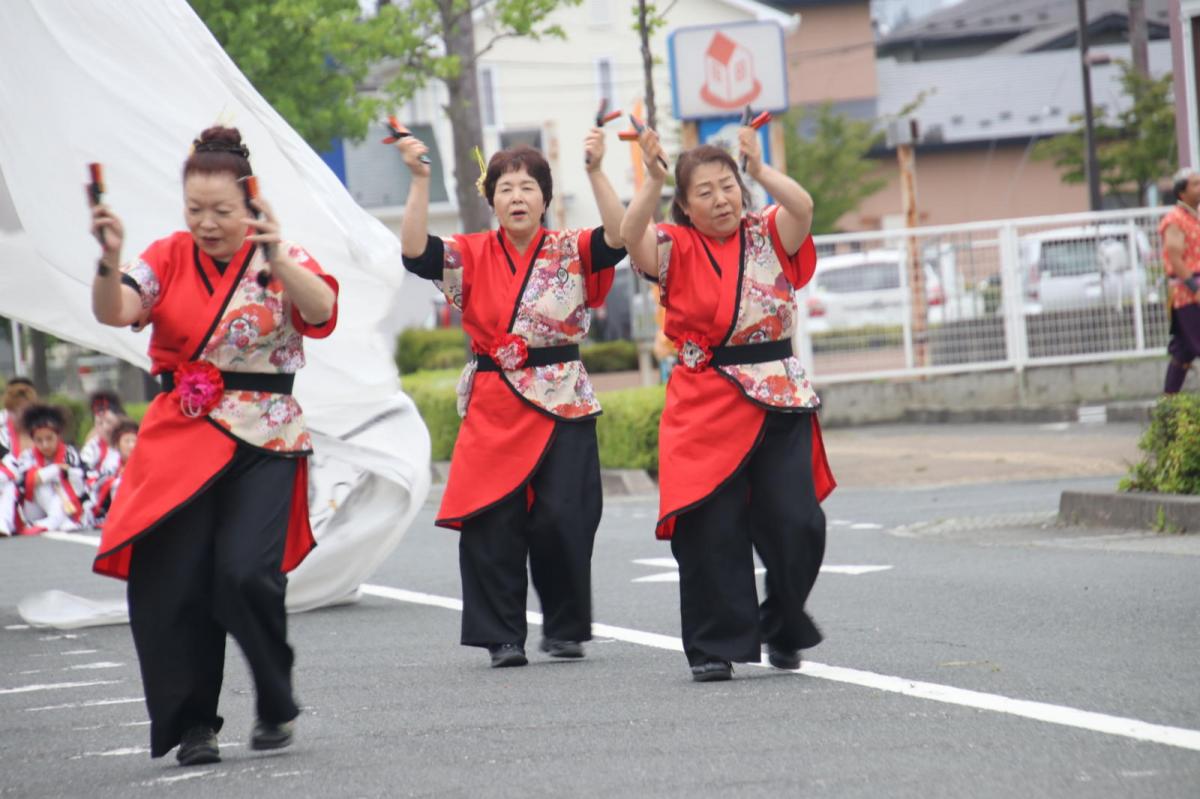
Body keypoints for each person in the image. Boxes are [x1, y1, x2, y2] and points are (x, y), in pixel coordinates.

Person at [89, 126, 338, 766]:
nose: (206, 223)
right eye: (195, 210)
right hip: (182, 437)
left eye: (222, 211)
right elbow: (116, 310)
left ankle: (275, 697)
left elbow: (322, 311)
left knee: (244, 574)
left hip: (266, 436)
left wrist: (279, 258)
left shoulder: (281, 256)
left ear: (251, 204)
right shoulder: (167, 256)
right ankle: (194, 722)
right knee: (176, 582)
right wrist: (107, 257)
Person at [396, 130, 625, 668]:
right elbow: (413, 251)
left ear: (545, 197)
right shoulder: (471, 252)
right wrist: (420, 179)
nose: (517, 197)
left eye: (528, 187)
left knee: (566, 518)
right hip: (495, 401)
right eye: (505, 188)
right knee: (491, 521)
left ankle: (566, 626)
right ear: (492, 199)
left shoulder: (572, 248)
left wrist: (595, 171)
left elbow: (619, 237)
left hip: (563, 394)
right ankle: (501, 635)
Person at [620, 125, 836, 682]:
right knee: (709, 528)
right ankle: (714, 646)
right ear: (686, 207)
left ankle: (783, 622)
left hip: (778, 396)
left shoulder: (768, 232)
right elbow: (629, 235)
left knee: (799, 523)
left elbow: (804, 206)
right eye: (706, 192)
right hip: (705, 401)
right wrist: (651, 180)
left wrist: (761, 171)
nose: (721, 199)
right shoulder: (673, 244)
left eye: (728, 186)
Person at [15, 404, 90, 533]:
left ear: (58, 436)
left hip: (69, 505)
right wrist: (56, 469)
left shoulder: (69, 453)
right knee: (42, 483)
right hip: (36, 508)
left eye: (49, 439)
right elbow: (28, 481)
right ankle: (56, 521)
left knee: (66, 481)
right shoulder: (27, 456)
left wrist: (54, 473)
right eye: (39, 440)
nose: (45, 445)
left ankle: (54, 521)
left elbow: (77, 480)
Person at [1161, 168, 1200, 394]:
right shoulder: (1174, 219)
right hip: (1188, 292)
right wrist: (1194, 288)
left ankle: (1168, 403)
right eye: (1195, 184)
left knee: (1184, 351)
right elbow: (1175, 258)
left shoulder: (1192, 218)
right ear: (1181, 192)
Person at [0, 381, 38, 535]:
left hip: (31, 492)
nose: (21, 414)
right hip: (6, 485)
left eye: (25, 410)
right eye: (16, 410)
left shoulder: (40, 429)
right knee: (7, 482)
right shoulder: (2, 430)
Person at [90, 416, 138, 525]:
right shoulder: (111, 460)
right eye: (127, 441)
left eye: (134, 441)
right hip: (110, 503)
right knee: (117, 484)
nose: (131, 445)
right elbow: (101, 482)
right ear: (118, 444)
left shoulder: (142, 459)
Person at [80, 390, 125, 475]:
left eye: (109, 422)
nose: (105, 428)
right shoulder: (93, 444)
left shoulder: (129, 439)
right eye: (100, 423)